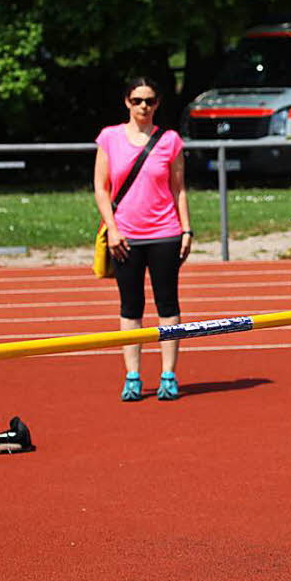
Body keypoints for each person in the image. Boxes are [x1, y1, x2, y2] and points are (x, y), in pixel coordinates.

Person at [94, 77, 193, 402]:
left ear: (157, 103)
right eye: (137, 100)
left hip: (164, 233)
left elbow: (178, 188)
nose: (143, 107)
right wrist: (113, 228)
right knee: (130, 306)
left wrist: (186, 228)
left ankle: (168, 374)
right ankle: (133, 376)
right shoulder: (109, 138)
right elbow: (101, 188)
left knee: (167, 304)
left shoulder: (169, 140)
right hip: (125, 235)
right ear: (127, 102)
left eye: (149, 101)